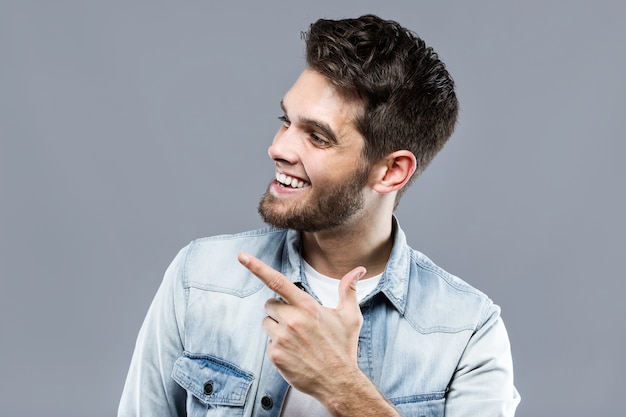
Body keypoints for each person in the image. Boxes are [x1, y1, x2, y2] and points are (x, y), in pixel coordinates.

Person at [118, 14, 520, 417]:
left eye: (317, 136)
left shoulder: (468, 332)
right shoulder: (199, 280)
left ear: (391, 171)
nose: (279, 149)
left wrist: (341, 386)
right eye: (285, 121)